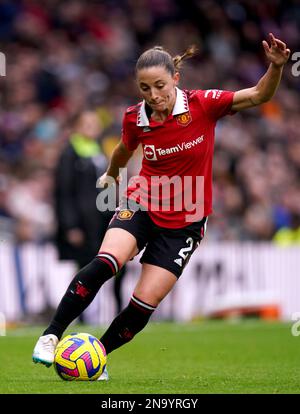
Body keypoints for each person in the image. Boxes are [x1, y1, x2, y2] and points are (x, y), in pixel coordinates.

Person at [32, 33, 290, 380]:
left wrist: (275, 67)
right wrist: (110, 175)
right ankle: (51, 334)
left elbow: (260, 94)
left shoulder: (204, 105)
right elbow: (124, 150)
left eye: (160, 86)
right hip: (142, 203)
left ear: (176, 80)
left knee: (142, 304)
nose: (154, 96)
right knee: (106, 262)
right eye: (144, 88)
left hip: (186, 222)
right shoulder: (134, 117)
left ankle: (97, 355)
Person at [54, 110, 127, 320]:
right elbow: (64, 192)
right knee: (86, 269)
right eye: (87, 124)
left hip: (103, 220)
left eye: (95, 124)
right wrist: (70, 226)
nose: (92, 128)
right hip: (84, 224)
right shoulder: (70, 153)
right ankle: (81, 316)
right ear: (77, 126)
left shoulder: (98, 151)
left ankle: (119, 309)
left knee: (117, 263)